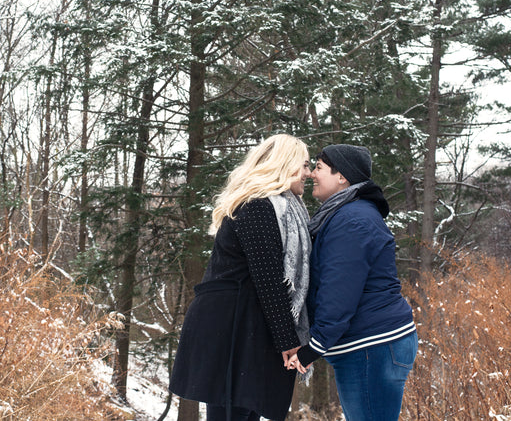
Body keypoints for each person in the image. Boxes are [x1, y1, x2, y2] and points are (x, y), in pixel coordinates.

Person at [169, 134, 313, 421]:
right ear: (284, 165)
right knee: (232, 412)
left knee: (244, 412)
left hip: (249, 324)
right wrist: (289, 340)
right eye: (304, 165)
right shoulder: (258, 206)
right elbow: (269, 278)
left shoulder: (282, 208)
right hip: (231, 327)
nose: (308, 173)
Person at [292, 144, 417, 421]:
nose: (312, 174)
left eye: (319, 168)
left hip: (373, 347)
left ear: (342, 177)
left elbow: (339, 291)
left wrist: (314, 347)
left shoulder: (351, 220)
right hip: (371, 345)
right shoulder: (345, 214)